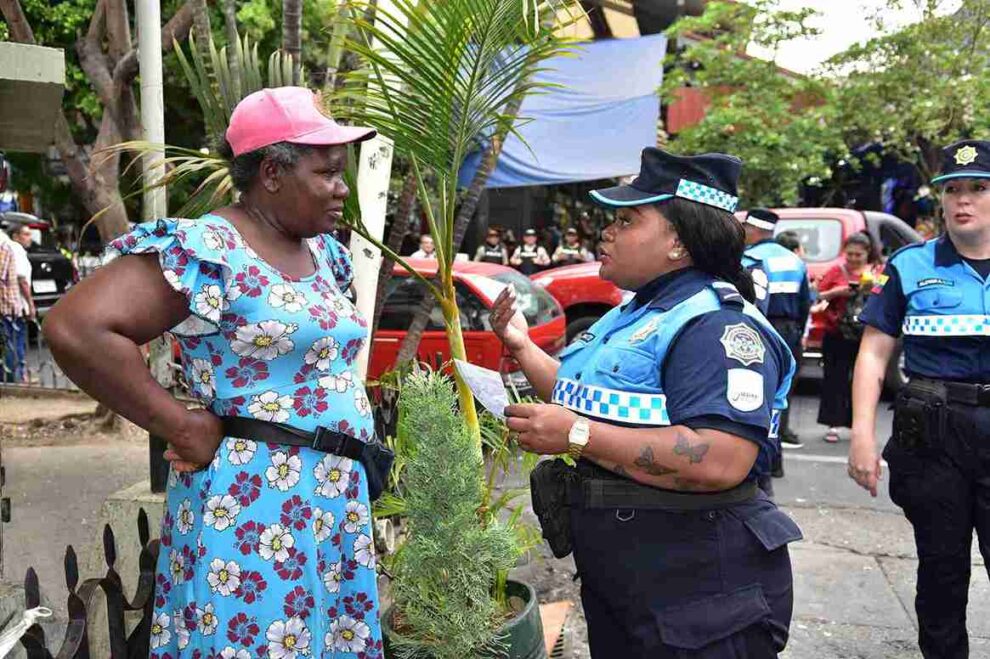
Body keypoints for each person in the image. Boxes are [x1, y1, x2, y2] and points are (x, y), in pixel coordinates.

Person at [44, 86, 385, 657]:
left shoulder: (323, 252)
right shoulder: (211, 249)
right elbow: (77, 328)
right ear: (272, 172)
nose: (341, 188)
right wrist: (180, 425)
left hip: (328, 504)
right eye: (327, 172)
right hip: (255, 510)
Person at [491, 147, 801, 658]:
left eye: (627, 220)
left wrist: (575, 435)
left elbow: (722, 458)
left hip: (699, 587)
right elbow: (584, 402)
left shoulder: (716, 325)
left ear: (678, 241)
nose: (606, 233)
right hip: (634, 576)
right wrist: (522, 346)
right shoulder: (635, 312)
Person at [849, 139, 990, 659]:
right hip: (933, 433)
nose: (963, 200)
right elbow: (872, 355)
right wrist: (862, 435)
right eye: (953, 189)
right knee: (941, 572)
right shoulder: (911, 266)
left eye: (978, 187)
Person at [742, 209, 812, 455]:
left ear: (756, 230)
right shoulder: (795, 261)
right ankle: (778, 439)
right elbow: (806, 303)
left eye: (746, 229)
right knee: (783, 388)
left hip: (760, 329)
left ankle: (758, 447)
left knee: (756, 386)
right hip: (790, 331)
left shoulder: (748, 259)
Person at [814, 232, 879, 443]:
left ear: (867, 253)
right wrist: (837, 292)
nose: (852, 259)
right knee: (835, 379)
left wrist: (873, 287)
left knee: (863, 381)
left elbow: (887, 290)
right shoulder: (836, 270)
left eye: (857, 255)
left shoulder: (878, 271)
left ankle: (860, 426)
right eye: (849, 254)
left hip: (866, 335)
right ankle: (833, 424)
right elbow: (817, 295)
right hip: (837, 332)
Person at [9, 224, 34, 381]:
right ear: (15, 236)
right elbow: (22, 279)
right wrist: (30, 303)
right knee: (16, 340)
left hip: (14, 303)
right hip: (17, 303)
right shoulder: (16, 250)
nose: (29, 238)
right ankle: (18, 376)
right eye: (26, 234)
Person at [0, 229, 20, 383]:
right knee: (8, 345)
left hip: (5, 305)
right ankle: (11, 379)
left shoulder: (4, 248)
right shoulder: (5, 247)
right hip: (4, 305)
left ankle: (10, 379)